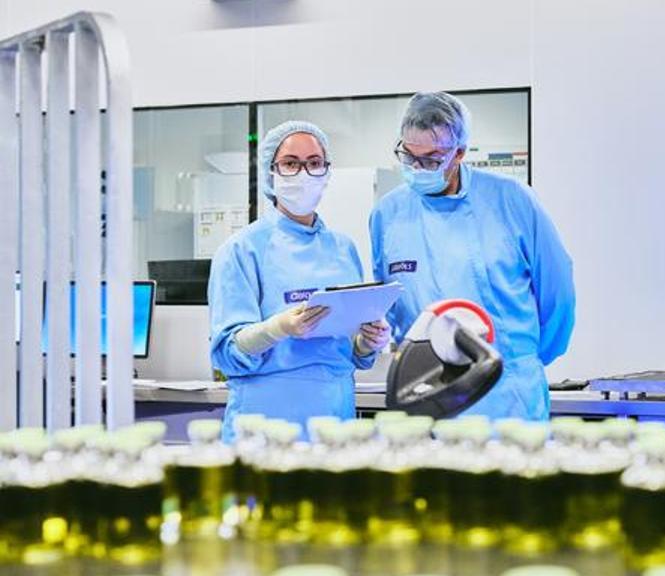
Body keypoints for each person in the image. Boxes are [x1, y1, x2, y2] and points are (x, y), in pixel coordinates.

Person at [369, 92, 575, 420]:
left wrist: (521, 362)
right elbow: (390, 303)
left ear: (460, 153)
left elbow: (557, 293)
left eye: (432, 159)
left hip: (508, 397)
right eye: (409, 156)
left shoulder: (511, 200)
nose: (418, 168)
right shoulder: (388, 213)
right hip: (426, 392)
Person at [209, 120, 389, 441]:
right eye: (291, 164)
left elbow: (347, 350)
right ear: (271, 172)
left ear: (326, 172)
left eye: (314, 163)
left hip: (334, 420)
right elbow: (227, 354)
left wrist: (366, 343)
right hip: (265, 423)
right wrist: (278, 328)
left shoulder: (343, 249)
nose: (304, 174)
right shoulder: (242, 250)